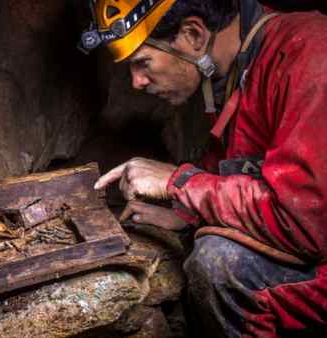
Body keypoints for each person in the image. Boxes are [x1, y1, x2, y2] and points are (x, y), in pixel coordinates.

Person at [79, 0, 327, 337]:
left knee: (218, 263)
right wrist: (188, 215)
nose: (136, 81)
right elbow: (239, 174)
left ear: (193, 34)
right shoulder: (242, 66)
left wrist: (179, 183)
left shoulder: (308, 55)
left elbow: (303, 224)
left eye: (143, 62)